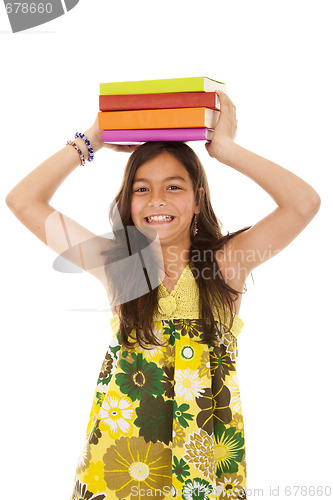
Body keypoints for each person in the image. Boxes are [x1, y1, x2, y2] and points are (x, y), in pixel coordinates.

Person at [5, 90, 321, 500]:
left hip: (203, 469)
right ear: (128, 202)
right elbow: (22, 200)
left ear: (198, 198)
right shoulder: (119, 266)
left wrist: (225, 149)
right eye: (141, 189)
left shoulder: (226, 264)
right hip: (119, 463)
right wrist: (94, 137)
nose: (156, 200)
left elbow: (303, 204)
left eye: (174, 187)